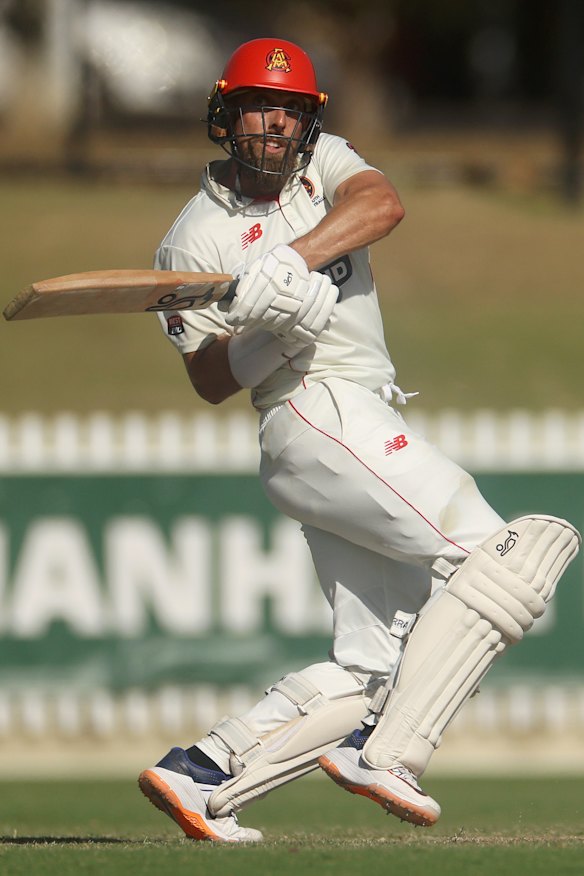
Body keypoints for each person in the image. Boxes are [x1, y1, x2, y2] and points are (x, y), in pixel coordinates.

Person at [138, 38, 580, 842]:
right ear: (224, 113)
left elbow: (383, 204)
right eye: (258, 108)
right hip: (309, 409)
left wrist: (291, 263)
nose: (274, 125)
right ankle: (391, 753)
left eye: (290, 111)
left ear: (310, 121)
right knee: (508, 553)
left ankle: (203, 773)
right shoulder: (190, 240)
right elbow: (208, 378)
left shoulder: (324, 166)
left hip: (359, 414)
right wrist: (269, 331)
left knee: (379, 666)